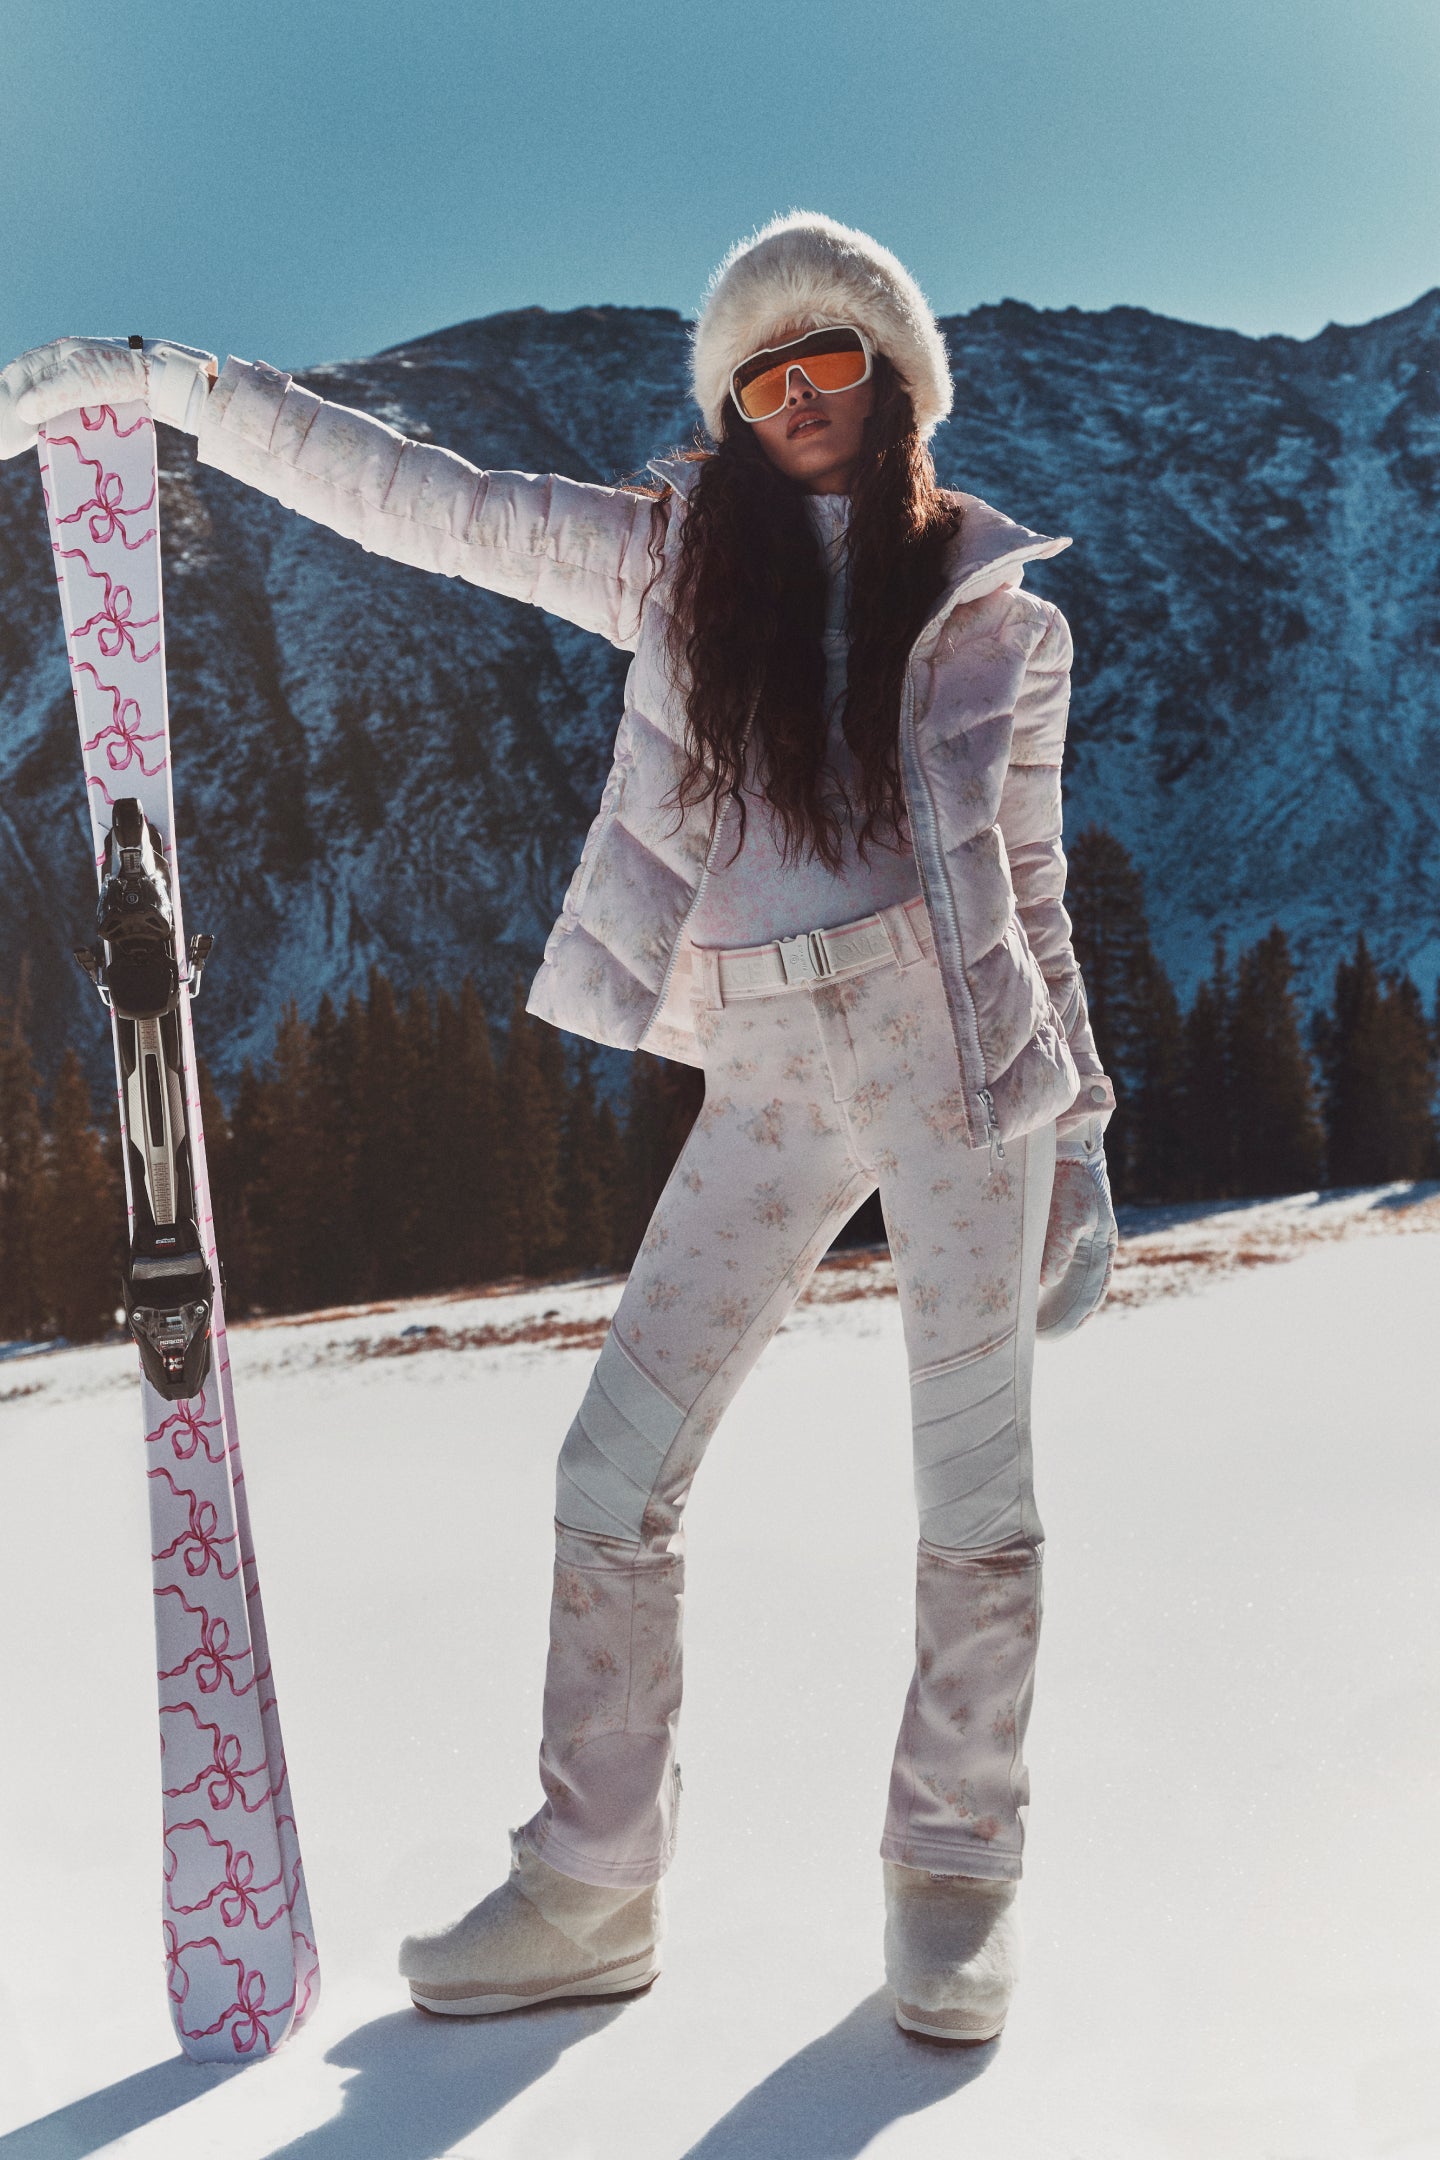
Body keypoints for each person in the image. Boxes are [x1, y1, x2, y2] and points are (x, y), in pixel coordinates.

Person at [0, 212, 1116, 2044]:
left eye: (832, 357)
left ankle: (955, 1880)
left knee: (977, 1501)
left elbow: (1038, 893)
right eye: (760, 373)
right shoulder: (671, 568)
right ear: (730, 407)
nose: (798, 395)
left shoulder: (1009, 622)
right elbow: (420, 501)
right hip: (766, 1066)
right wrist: (175, 387)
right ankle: (592, 1883)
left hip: (957, 1063)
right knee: (612, 1471)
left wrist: (1079, 1139)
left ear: (898, 379)